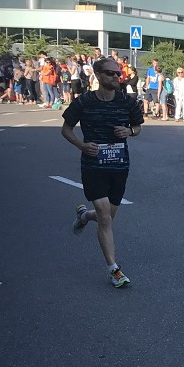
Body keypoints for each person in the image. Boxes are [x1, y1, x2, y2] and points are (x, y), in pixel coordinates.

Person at [64, 57, 144, 287]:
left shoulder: (127, 102)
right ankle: (114, 269)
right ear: (97, 75)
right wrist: (81, 145)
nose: (116, 77)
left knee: (106, 216)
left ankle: (84, 216)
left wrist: (129, 131)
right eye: (110, 73)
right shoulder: (85, 102)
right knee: (105, 216)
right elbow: (65, 129)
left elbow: (138, 126)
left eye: (118, 74)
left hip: (119, 166)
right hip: (93, 165)